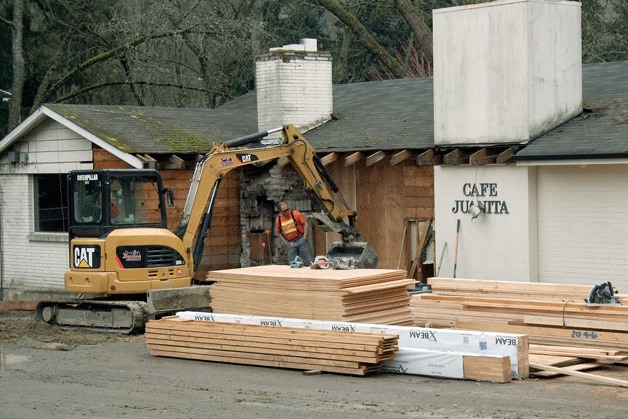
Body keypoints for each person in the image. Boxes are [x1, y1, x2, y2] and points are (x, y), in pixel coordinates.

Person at [275, 201, 313, 266]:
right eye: (285, 211)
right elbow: (278, 232)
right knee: (293, 264)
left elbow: (306, 223)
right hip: (291, 243)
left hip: (301, 239)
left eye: (288, 209)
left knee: (309, 261)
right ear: (280, 211)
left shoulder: (296, 214)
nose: (287, 211)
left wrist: (305, 237)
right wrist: (286, 243)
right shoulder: (278, 220)